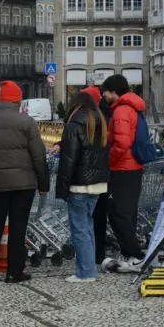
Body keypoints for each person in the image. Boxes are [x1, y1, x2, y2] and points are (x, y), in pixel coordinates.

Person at [0, 80, 49, 283]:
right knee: (18, 228)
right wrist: (43, 184)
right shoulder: (26, 122)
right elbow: (38, 156)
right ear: (17, 100)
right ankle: (14, 272)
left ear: (0, 99)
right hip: (24, 184)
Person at [55, 91, 110, 283]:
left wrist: (62, 187)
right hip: (97, 183)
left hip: (79, 184)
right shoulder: (100, 121)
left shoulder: (73, 124)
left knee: (79, 228)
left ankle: (86, 272)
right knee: (87, 227)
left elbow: (69, 160)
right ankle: (88, 268)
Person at [100, 74, 147, 273]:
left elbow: (122, 143)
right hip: (133, 167)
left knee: (118, 213)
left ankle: (135, 254)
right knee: (128, 212)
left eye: (106, 92)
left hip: (122, 169)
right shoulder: (133, 107)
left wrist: (108, 161)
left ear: (114, 92)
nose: (103, 95)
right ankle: (130, 253)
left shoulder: (121, 111)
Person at [82, 86, 112, 267]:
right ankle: (97, 252)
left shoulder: (93, 120)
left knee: (89, 216)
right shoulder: (104, 118)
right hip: (101, 174)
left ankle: (93, 254)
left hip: (90, 174)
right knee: (98, 216)